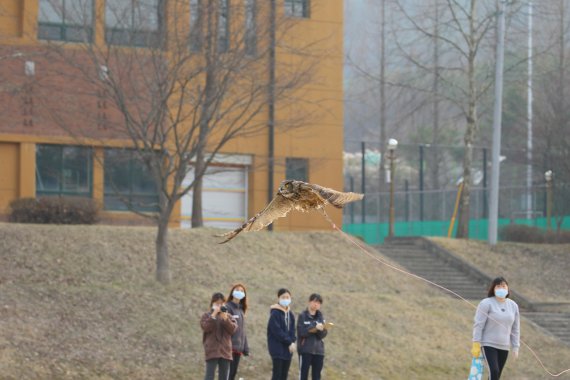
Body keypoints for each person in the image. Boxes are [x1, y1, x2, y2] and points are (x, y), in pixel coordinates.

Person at [472, 277, 520, 380]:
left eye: (503, 286)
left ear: (508, 289)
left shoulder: (513, 306)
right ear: (493, 289)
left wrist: (515, 346)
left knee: (496, 376)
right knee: (494, 371)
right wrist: (476, 343)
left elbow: (515, 328)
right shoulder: (486, 303)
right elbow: (478, 324)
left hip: (504, 346)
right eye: (498, 286)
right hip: (488, 344)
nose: (501, 288)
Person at [200, 292, 238, 380]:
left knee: (224, 377)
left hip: (225, 351)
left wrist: (225, 318)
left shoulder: (228, 316)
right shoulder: (206, 316)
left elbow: (233, 330)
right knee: (209, 376)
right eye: (217, 303)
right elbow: (206, 327)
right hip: (212, 350)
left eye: (221, 304)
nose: (219, 306)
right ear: (212, 304)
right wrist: (213, 315)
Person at [267, 288, 297, 380]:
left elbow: (292, 330)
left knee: (284, 375)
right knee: (277, 375)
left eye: (287, 297)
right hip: (277, 348)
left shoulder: (290, 314)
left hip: (288, 350)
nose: (285, 299)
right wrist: (289, 342)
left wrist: (292, 342)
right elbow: (277, 331)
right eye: (283, 297)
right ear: (278, 298)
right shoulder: (275, 313)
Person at [297, 293, 328, 380]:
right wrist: (315, 326)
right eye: (314, 301)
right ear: (309, 302)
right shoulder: (302, 316)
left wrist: (321, 329)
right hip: (305, 350)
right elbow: (302, 332)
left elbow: (323, 335)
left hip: (319, 351)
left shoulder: (321, 317)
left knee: (317, 376)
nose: (316, 304)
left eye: (318, 303)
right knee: (303, 375)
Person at [226, 283, 249, 380]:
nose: (239, 292)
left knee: (233, 374)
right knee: (227, 374)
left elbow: (242, 330)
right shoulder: (227, 307)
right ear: (232, 292)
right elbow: (226, 327)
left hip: (238, 349)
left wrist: (245, 347)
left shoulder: (241, 310)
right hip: (229, 347)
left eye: (242, 291)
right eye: (237, 290)